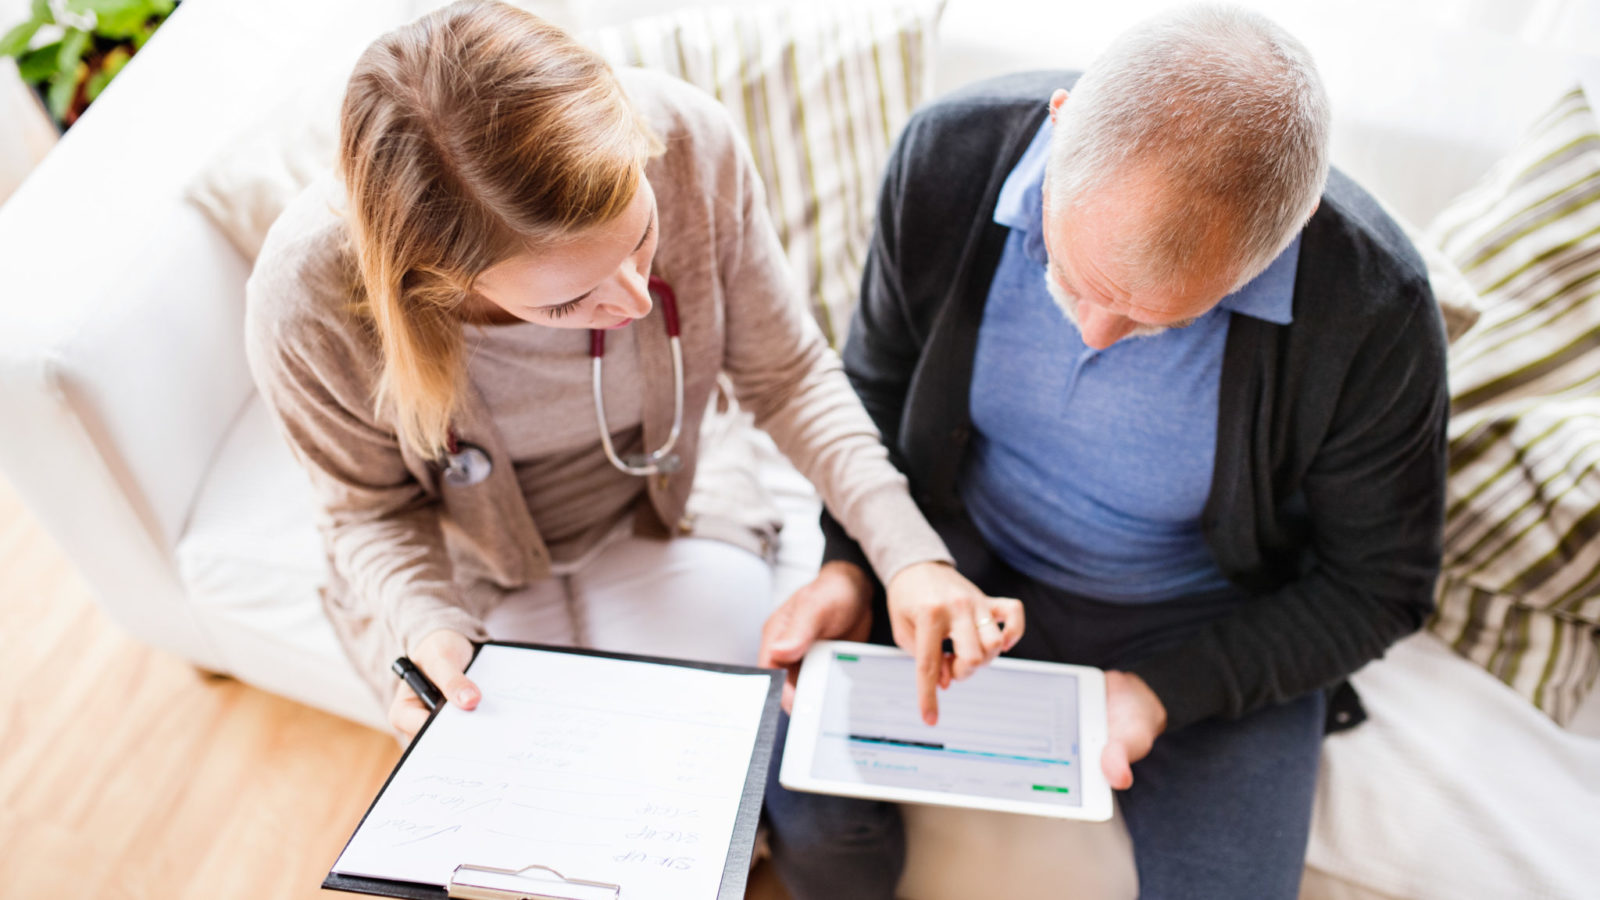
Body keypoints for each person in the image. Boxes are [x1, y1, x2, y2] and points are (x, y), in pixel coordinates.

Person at [759, 5, 1449, 898]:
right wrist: (858, 565)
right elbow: (876, 391)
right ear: (1059, 124)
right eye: (1072, 272)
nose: (1093, 329)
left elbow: (1381, 586)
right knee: (806, 807)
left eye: (1160, 318)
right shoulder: (946, 159)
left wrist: (1164, 691)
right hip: (959, 561)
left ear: (1288, 233)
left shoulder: (1372, 306)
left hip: (1207, 617)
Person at [244, 0, 1024, 740]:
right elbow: (367, 512)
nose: (634, 303)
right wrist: (430, 627)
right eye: (568, 301)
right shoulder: (306, 298)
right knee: (536, 783)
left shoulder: (690, 143)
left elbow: (787, 377)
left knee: (709, 736)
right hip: (463, 561)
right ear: (442, 282)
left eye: (641, 237)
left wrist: (909, 555)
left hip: (670, 502)